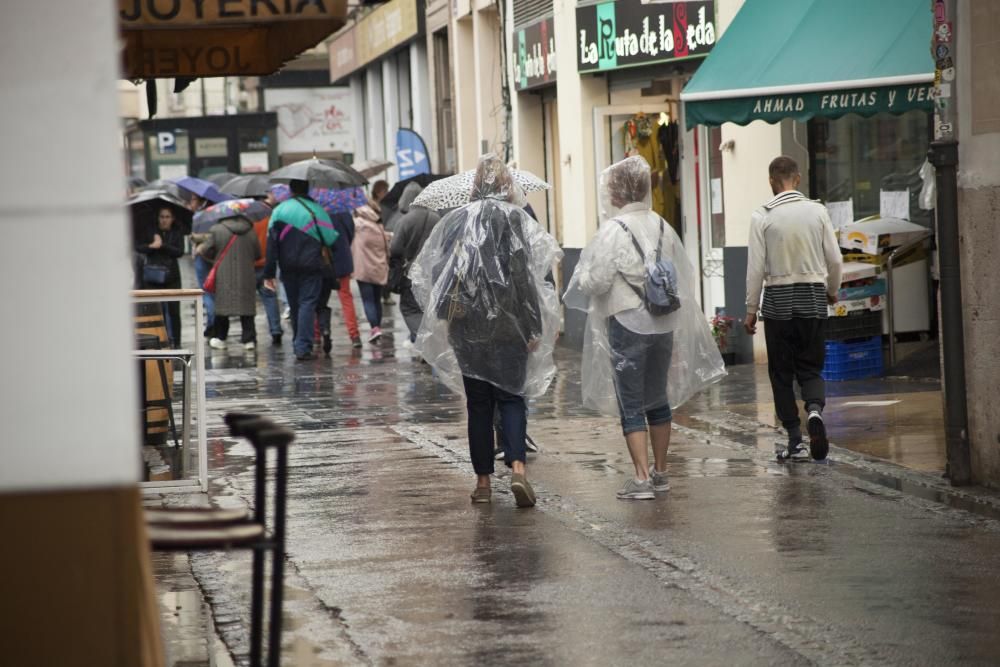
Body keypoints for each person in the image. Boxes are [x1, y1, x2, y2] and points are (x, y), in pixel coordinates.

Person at [564, 156, 725, 500]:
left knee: (631, 401)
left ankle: (640, 478)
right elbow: (681, 273)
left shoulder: (613, 230)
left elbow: (598, 281)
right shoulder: (662, 225)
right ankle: (661, 472)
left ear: (617, 192)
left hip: (627, 321)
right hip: (662, 322)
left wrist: (584, 275)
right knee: (658, 397)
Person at [409, 154, 562, 508]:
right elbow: (526, 278)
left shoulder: (455, 221)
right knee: (512, 397)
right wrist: (533, 326)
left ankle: (482, 482)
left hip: (467, 327)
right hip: (510, 326)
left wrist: (447, 319)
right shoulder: (516, 220)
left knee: (478, 405)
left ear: (474, 186)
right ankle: (519, 469)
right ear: (507, 185)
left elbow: (437, 274)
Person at [744, 156, 843, 462]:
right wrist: (832, 291)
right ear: (797, 179)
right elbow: (835, 260)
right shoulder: (817, 211)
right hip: (813, 298)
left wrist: (750, 309)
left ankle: (795, 440)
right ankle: (814, 410)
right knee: (811, 368)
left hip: (778, 305)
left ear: (772, 182)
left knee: (781, 374)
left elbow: (755, 269)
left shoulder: (762, 216)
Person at [263, 179, 339, 361]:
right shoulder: (317, 211)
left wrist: (269, 273)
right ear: (308, 189)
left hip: (287, 266)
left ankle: (299, 342)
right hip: (312, 265)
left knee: (295, 303)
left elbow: (271, 243)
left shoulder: (279, 210)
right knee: (307, 303)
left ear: (290, 189)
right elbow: (330, 239)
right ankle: (302, 347)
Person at [197, 213, 260, 350]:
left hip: (223, 274)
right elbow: (257, 253)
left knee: (223, 307)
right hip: (246, 275)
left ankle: (221, 338)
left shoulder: (217, 229)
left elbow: (206, 250)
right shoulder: (250, 230)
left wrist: (213, 258)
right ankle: (249, 339)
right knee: (246, 307)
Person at [387, 182, 440, 343]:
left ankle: (422, 341)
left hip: (410, 272)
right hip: (433, 272)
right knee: (427, 308)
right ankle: (426, 339)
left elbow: (395, 250)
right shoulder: (436, 218)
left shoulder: (404, 221)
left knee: (410, 308)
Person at [135, 206, 185, 347]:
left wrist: (162, 245)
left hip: (172, 276)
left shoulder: (176, 231)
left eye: (167, 217)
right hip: (153, 276)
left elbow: (179, 251)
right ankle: (159, 341)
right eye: (162, 217)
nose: (164, 220)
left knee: (174, 311)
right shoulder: (149, 230)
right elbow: (139, 247)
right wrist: (152, 246)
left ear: (172, 219)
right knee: (156, 311)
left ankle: (177, 342)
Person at [351, 199, 392, 343]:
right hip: (379, 267)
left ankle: (374, 328)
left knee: (368, 300)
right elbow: (387, 247)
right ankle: (377, 327)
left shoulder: (357, 225)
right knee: (376, 300)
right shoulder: (378, 225)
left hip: (362, 268)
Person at [255, 191, 283, 345]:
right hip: (267, 263)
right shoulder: (271, 216)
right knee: (270, 297)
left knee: (248, 302)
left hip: (251, 265)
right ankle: (276, 329)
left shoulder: (247, 219)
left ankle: (250, 336)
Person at [188, 194, 215, 337]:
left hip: (202, 256)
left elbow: (203, 236)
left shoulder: (199, 216)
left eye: (193, 199)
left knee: (206, 291)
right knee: (213, 291)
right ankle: (213, 322)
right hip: (215, 257)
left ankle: (212, 323)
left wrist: (194, 237)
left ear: (200, 201)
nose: (191, 202)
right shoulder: (217, 213)